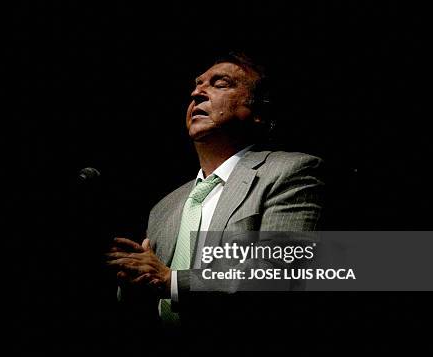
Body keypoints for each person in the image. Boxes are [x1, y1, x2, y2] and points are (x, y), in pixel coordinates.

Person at [105, 52, 324, 332]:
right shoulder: (163, 207)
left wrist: (170, 280)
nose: (197, 92)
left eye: (220, 84)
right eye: (197, 85)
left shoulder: (291, 171)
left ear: (257, 113)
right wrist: (133, 284)